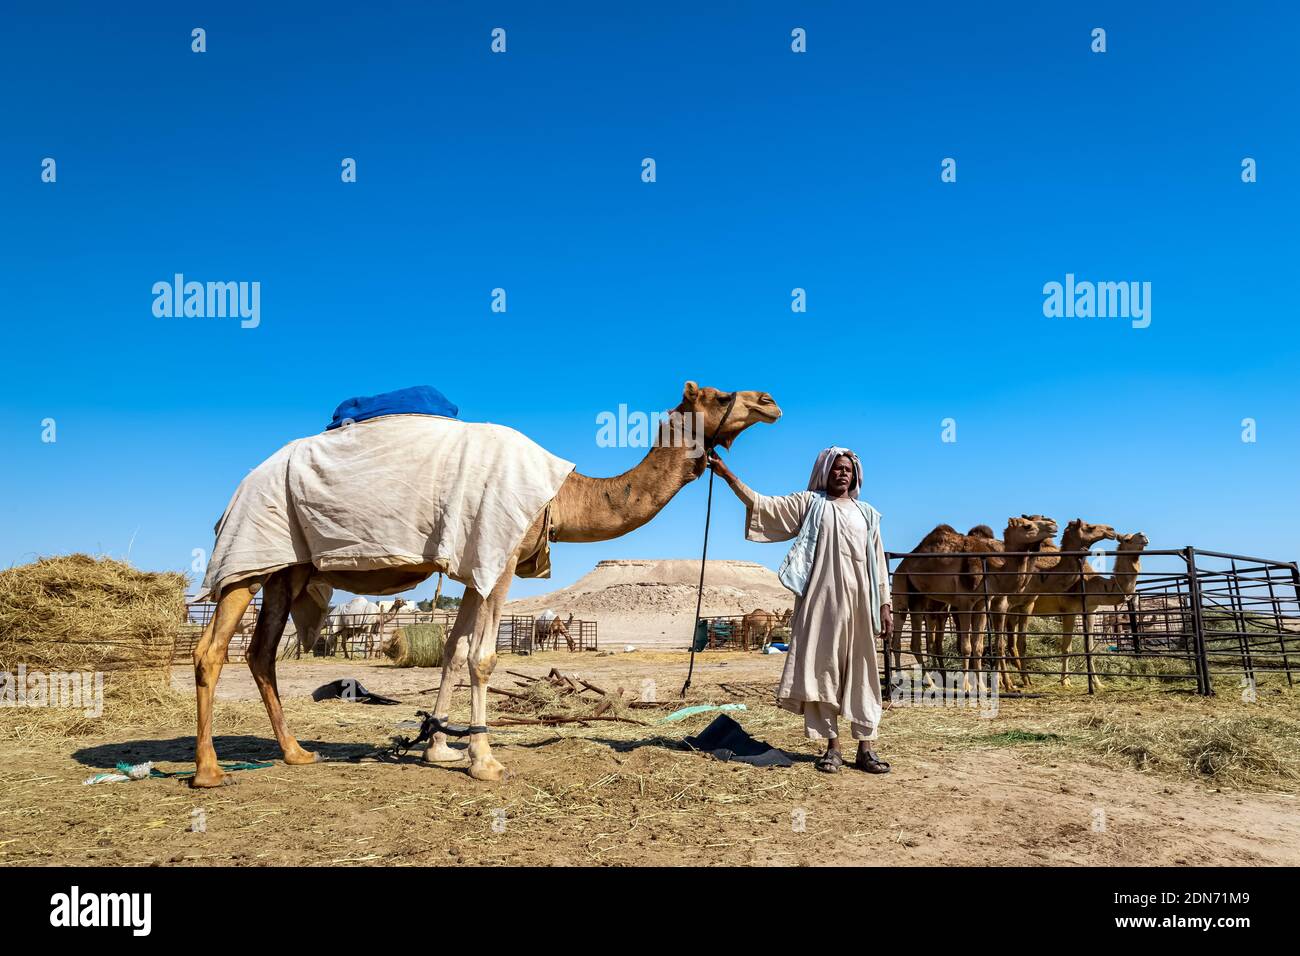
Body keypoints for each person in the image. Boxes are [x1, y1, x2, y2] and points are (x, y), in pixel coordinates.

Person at [709, 447, 892, 774]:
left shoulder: (867, 514)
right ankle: (832, 748)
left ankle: (866, 749)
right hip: (821, 605)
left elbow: (878, 563)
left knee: (863, 673)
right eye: (837, 468)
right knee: (823, 672)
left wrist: (885, 604)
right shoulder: (811, 505)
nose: (842, 473)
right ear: (825, 472)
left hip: (861, 607)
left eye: (848, 469)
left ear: (855, 475)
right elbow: (763, 504)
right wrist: (728, 476)